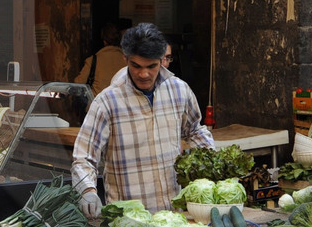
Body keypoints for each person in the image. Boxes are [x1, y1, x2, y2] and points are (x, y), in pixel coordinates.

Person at [72, 22, 213, 215]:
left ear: (163, 59)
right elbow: (84, 157)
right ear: (125, 58)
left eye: (151, 66)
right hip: (129, 222)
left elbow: (195, 131)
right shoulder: (107, 102)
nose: (144, 74)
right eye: (136, 65)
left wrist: (214, 163)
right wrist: (87, 190)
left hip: (174, 216)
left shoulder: (179, 90)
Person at [75, 22, 127, 96]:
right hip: (121, 105)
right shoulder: (128, 61)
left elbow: (78, 84)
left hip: (98, 105)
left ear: (104, 41)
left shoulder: (93, 60)